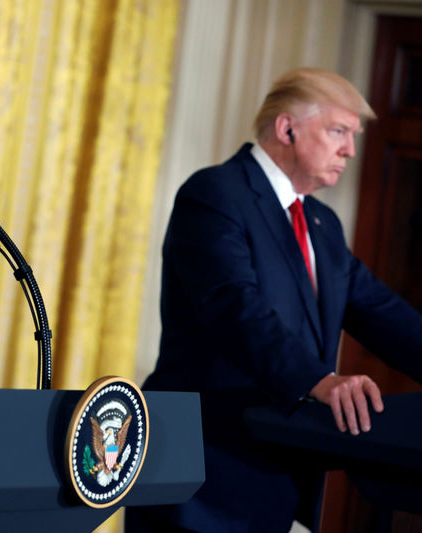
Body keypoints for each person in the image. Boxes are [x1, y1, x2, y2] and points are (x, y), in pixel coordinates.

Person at [126, 68, 422, 533]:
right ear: (287, 129)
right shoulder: (216, 194)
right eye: (338, 131)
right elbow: (233, 308)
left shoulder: (322, 225)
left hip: (272, 473)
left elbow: (381, 311)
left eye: (352, 135)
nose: (349, 150)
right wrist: (319, 379)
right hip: (200, 469)